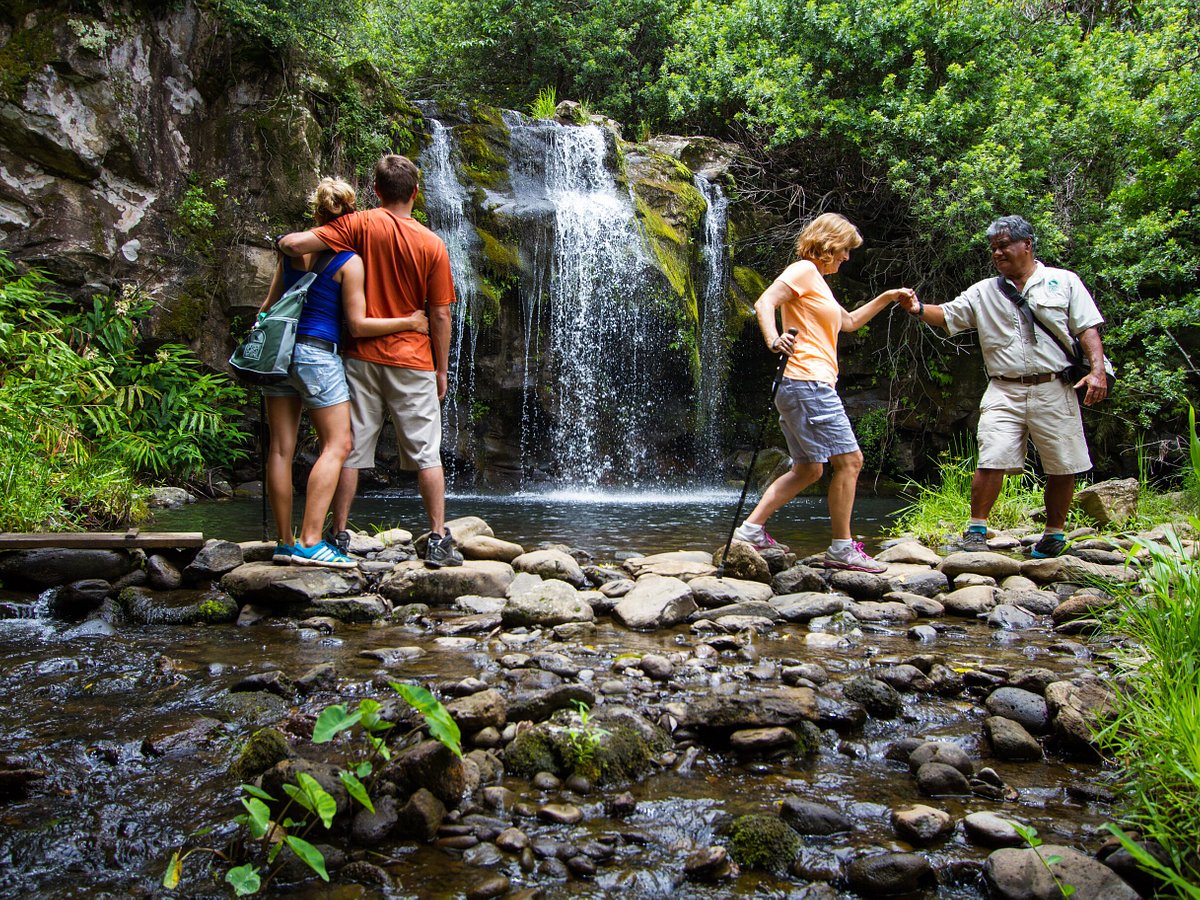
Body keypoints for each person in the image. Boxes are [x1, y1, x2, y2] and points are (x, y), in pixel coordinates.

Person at [278, 155, 462, 567]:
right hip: (413, 360)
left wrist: (286, 248)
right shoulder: (433, 244)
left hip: (359, 358)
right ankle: (436, 537)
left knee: (350, 450)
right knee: (426, 454)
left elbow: (296, 244)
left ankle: (339, 532)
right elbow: (440, 314)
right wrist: (441, 367)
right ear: (415, 193)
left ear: (376, 191)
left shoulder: (358, 224)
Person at [898, 215, 1108, 558]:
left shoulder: (1064, 281)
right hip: (1003, 389)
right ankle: (977, 530)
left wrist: (1097, 372)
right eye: (993, 248)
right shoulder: (984, 292)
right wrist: (918, 308)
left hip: (1055, 386)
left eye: (1004, 246)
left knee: (1062, 463)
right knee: (991, 455)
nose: (997, 253)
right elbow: (949, 315)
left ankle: (1054, 535)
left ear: (1027, 244)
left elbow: (1087, 330)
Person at [733, 212, 916, 573]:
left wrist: (887, 297)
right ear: (830, 244)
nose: (847, 258)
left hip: (801, 386)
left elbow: (847, 323)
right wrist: (773, 339)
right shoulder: (803, 270)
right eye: (845, 250)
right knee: (850, 461)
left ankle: (750, 530)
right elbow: (764, 302)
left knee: (809, 470)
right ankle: (842, 549)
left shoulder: (818, 281)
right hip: (807, 383)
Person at [260, 177, 360, 568]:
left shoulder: (289, 253)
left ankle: (285, 542)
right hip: (317, 353)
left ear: (315, 211)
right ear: (350, 216)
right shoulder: (349, 262)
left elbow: (268, 307)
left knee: (281, 449)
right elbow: (355, 322)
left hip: (279, 353)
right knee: (338, 444)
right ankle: (312, 540)